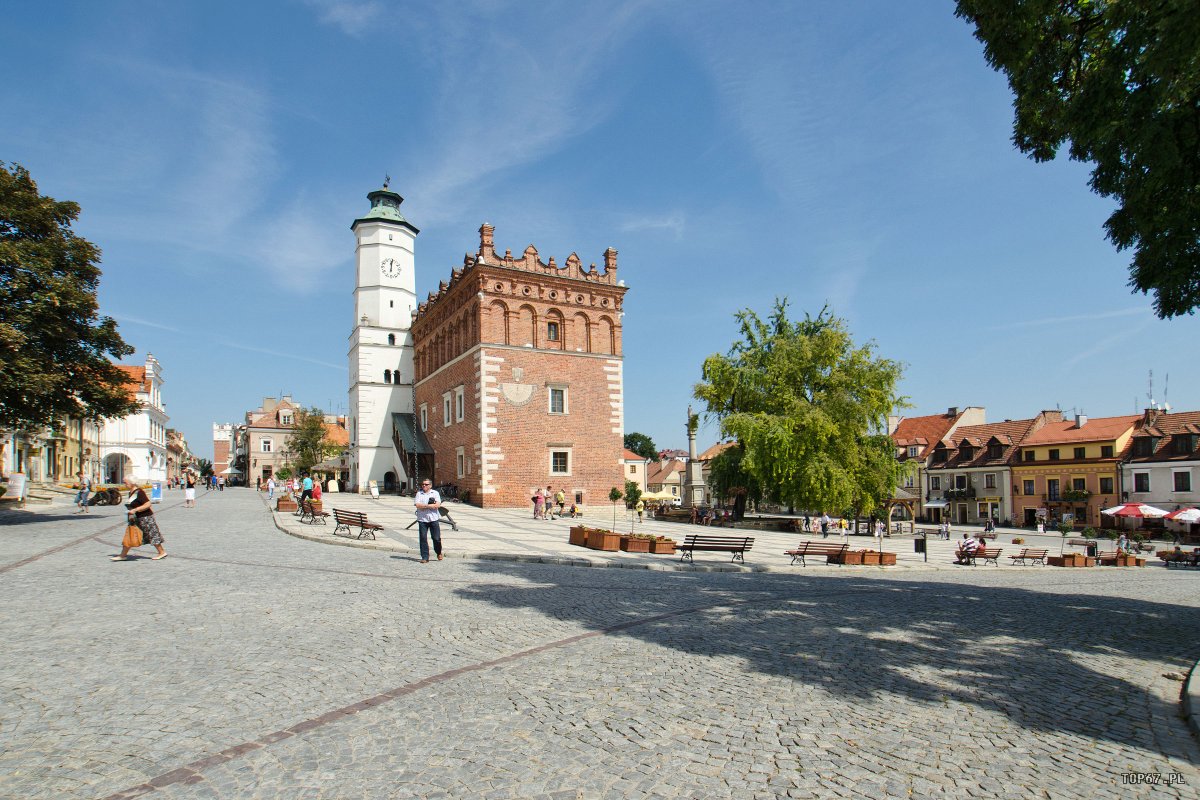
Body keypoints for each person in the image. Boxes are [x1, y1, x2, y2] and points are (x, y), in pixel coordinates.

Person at [112, 477, 167, 561]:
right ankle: (123, 555)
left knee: (152, 535)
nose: (124, 484)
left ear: (132, 483)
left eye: (125, 482)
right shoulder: (131, 492)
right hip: (135, 518)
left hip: (145, 517)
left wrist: (135, 510)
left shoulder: (139, 492)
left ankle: (162, 552)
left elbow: (148, 504)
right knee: (130, 535)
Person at [413, 479, 443, 563]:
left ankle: (438, 552)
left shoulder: (435, 493)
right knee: (423, 538)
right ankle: (425, 557)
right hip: (422, 519)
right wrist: (429, 505)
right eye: (422, 484)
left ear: (430, 485)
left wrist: (425, 506)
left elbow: (437, 505)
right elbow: (418, 505)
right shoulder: (419, 493)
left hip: (433, 518)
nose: (424, 486)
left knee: (436, 538)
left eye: (426, 484)